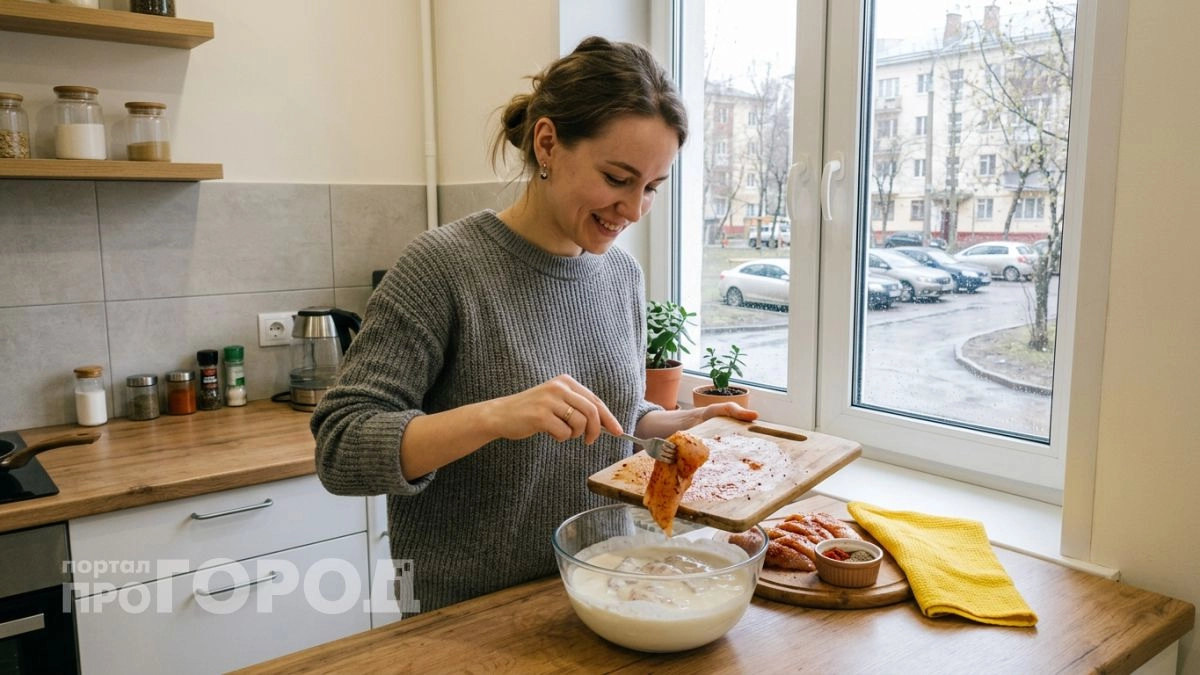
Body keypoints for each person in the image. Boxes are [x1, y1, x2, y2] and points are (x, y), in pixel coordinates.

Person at [311, 35, 758, 614]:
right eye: (618, 178)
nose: (633, 209)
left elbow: (608, 417)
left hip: (607, 592)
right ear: (548, 143)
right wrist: (497, 415)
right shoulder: (441, 267)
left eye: (651, 188)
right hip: (466, 619)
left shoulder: (619, 274)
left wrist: (675, 423)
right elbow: (340, 447)